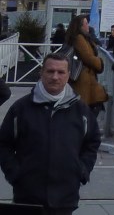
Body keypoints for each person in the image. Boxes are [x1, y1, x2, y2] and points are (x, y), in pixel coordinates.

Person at [0, 51, 100, 214]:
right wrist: (15, 173)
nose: (55, 77)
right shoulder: (21, 108)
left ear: (68, 75)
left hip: (65, 198)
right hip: (28, 198)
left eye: (60, 72)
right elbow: (4, 144)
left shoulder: (81, 110)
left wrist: (81, 170)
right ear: (41, 73)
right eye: (50, 71)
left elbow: (92, 142)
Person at [66, 11, 109, 115]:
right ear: (80, 26)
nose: (88, 26)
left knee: (90, 106)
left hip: (86, 78)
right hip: (84, 78)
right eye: (86, 23)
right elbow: (88, 57)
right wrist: (100, 63)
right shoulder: (79, 38)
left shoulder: (82, 37)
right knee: (88, 108)